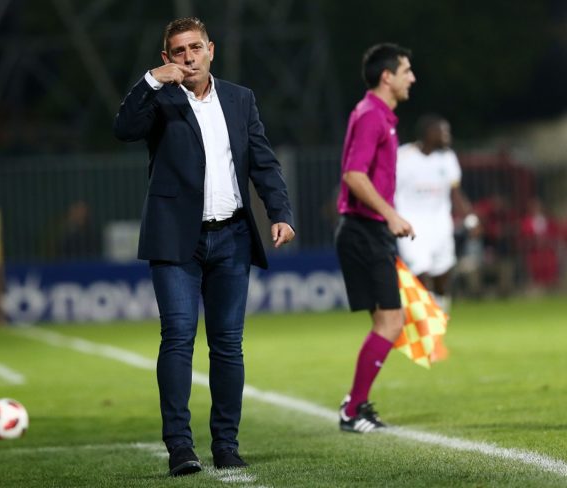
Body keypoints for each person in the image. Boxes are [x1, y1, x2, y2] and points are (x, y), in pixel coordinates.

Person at [114, 17, 295, 476]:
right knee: (178, 338)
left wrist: (280, 212)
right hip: (177, 238)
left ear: (211, 49)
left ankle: (226, 445)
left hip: (233, 236)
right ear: (167, 58)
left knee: (228, 345)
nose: (189, 57)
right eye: (179, 51)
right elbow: (124, 128)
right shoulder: (159, 100)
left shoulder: (240, 98)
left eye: (196, 47)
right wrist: (152, 81)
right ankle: (180, 447)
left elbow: (263, 162)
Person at [334, 43, 415, 433]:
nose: (412, 78)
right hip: (365, 230)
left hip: (368, 230)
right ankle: (352, 410)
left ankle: (356, 405)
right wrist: (391, 214)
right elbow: (354, 175)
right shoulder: (372, 116)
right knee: (391, 322)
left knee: (389, 321)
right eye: (406, 71)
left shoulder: (377, 113)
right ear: (387, 76)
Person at [395, 115, 473, 315]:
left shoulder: (448, 158)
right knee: (419, 269)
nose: (447, 136)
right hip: (411, 223)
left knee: (443, 272)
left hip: (440, 223)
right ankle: (424, 316)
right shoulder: (403, 157)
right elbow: (388, 189)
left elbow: (456, 192)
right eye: (443, 132)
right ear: (428, 133)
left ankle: (439, 313)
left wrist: (470, 219)